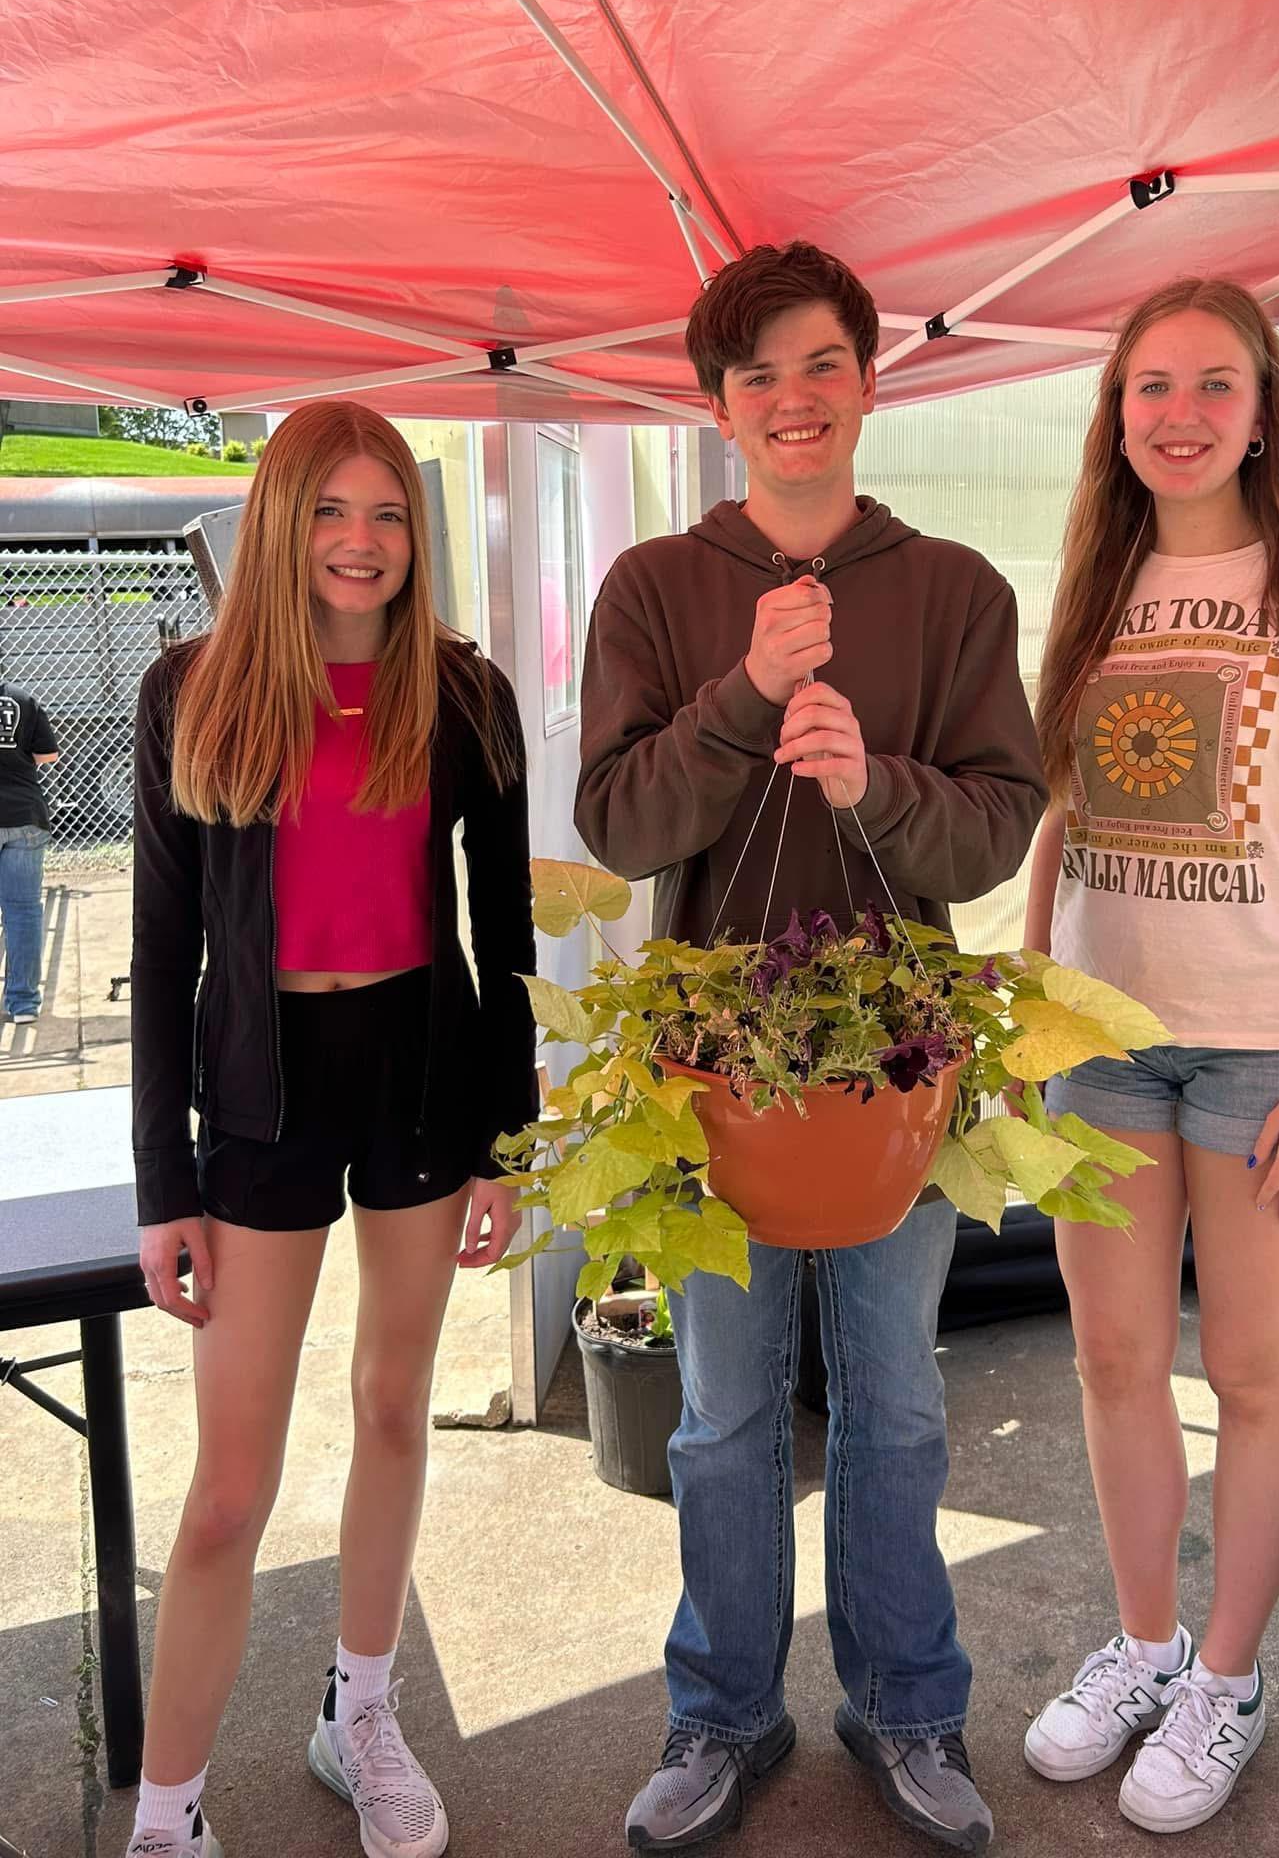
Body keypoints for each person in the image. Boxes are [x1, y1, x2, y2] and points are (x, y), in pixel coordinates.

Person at [576, 240, 1047, 1854]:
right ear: (720, 405)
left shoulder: (954, 591)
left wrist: (873, 785)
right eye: (758, 373)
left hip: (898, 1076)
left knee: (897, 1402)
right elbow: (620, 822)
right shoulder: (656, 587)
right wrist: (743, 694)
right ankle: (722, 1711)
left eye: (821, 363)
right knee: (720, 1416)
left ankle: (906, 1706)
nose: (794, 398)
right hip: (713, 1082)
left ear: (869, 380)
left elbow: (996, 825)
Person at [1020, 278, 1279, 1833]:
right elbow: (1058, 816)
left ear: (1262, 415)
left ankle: (1230, 1683)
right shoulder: (1094, 586)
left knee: (1254, 1375)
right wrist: (1032, 1002)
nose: (1177, 415)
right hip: (1102, 1042)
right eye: (1150, 388)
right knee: (1114, 1361)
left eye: (1212, 386)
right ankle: (1146, 1650)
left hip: (1265, 1058)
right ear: (1115, 416)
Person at [125, 400, 538, 1858]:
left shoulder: (464, 693)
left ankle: (359, 1710)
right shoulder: (193, 690)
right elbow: (163, 949)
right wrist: (161, 1183)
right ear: (279, 522)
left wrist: (506, 1140)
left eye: (388, 515)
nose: (361, 542)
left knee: (390, 1405)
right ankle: (167, 1815)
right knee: (228, 1489)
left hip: (418, 1074)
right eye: (329, 511)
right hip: (260, 1095)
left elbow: (505, 932)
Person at [0, 674, 59, 1024]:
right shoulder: (22, 699)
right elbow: (48, 754)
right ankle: (23, 1003)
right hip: (25, 815)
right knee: (22, 910)